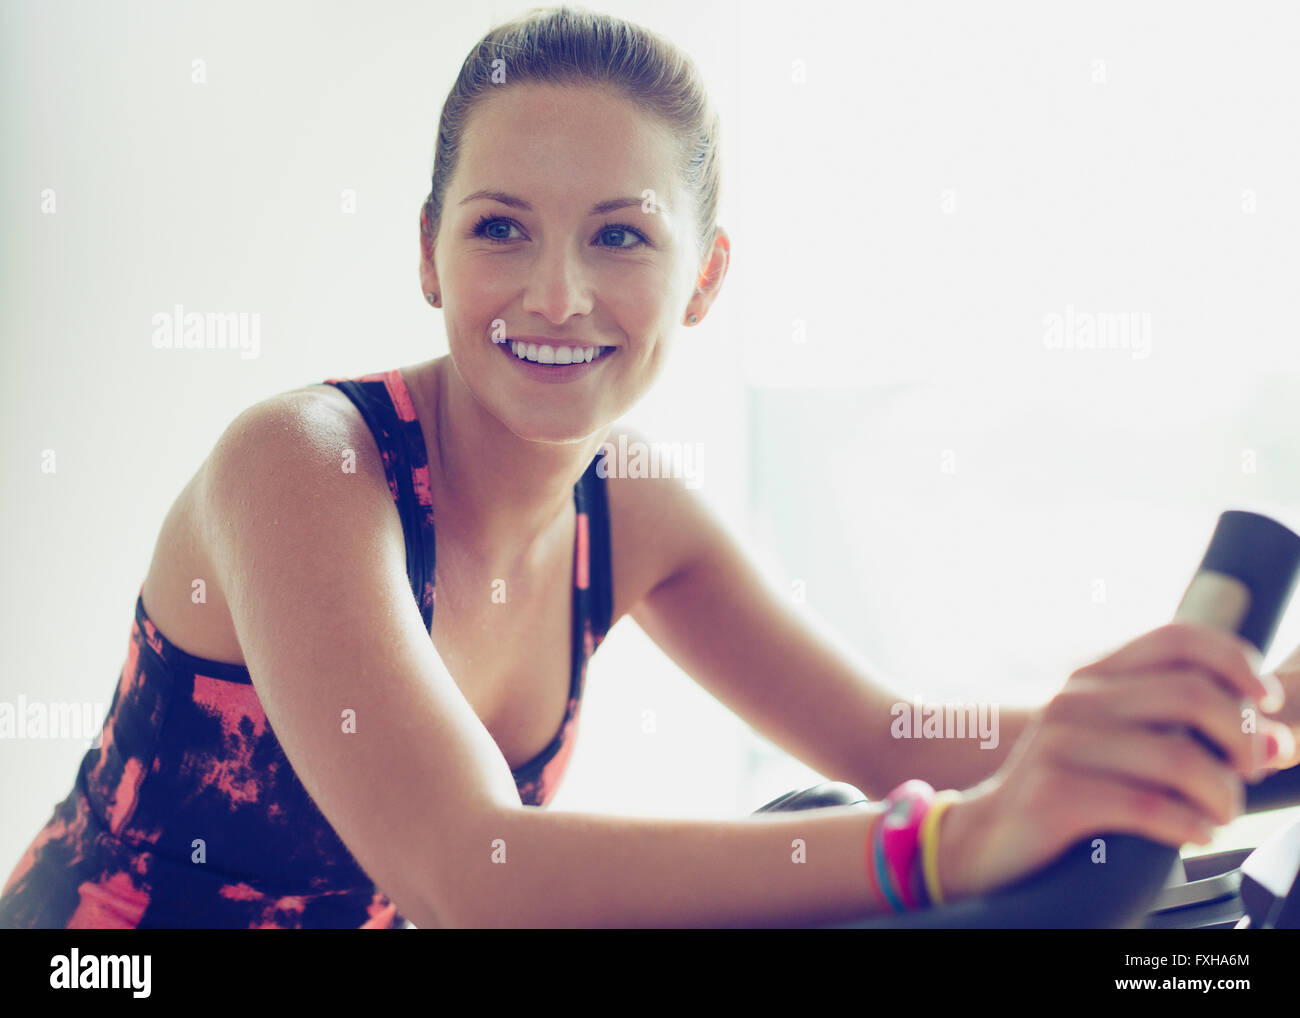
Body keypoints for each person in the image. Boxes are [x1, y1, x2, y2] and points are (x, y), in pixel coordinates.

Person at [2, 5, 1298, 929]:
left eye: (620, 235)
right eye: (501, 226)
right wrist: (945, 847)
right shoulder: (301, 464)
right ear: (427, 253)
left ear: (704, 277)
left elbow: (890, 733)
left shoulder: (632, 504)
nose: (558, 293)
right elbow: (476, 869)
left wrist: (1236, 734)